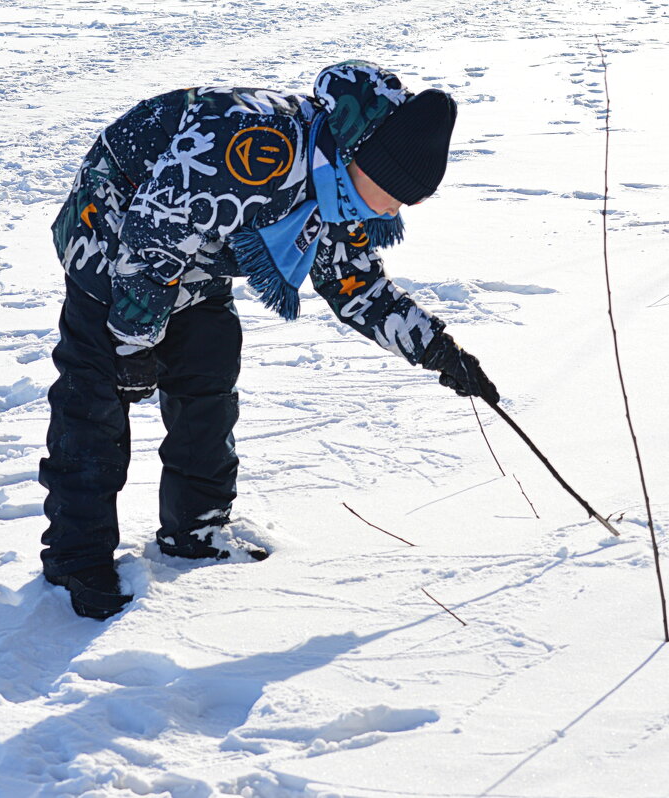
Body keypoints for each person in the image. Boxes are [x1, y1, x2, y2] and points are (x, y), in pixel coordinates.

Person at [40, 60, 498, 620]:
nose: (394, 210)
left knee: (207, 381)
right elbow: (156, 228)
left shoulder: (336, 186)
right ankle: (76, 558)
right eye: (394, 195)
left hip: (196, 255)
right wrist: (133, 341)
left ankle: (197, 529)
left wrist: (437, 351)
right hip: (113, 235)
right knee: (95, 403)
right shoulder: (262, 144)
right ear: (364, 163)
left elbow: (355, 285)